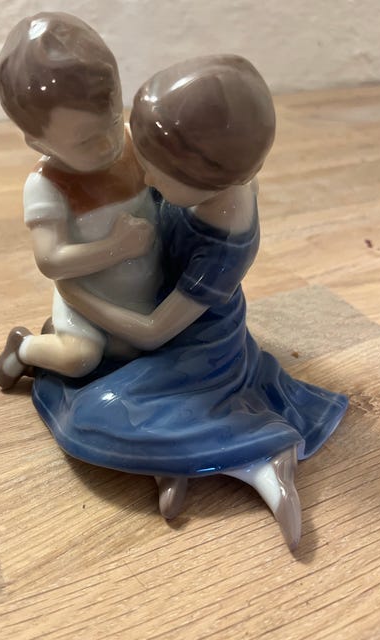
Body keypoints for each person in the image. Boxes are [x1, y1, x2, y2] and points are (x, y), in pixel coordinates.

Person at [34, 55, 348, 550]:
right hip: (155, 304)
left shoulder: (223, 244)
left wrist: (78, 295)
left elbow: (153, 332)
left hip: (195, 346)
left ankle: (257, 450)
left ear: (207, 178)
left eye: (156, 174)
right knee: (105, 376)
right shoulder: (218, 174)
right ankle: (174, 460)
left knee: (98, 411)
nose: (144, 179)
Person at [0, 12, 160, 389]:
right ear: (38, 143)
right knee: (80, 357)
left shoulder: (133, 142)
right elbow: (50, 259)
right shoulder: (47, 186)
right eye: (85, 141)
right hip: (86, 298)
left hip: (148, 292)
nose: (108, 144)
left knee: (152, 344)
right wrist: (115, 248)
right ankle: (24, 349)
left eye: (112, 121)